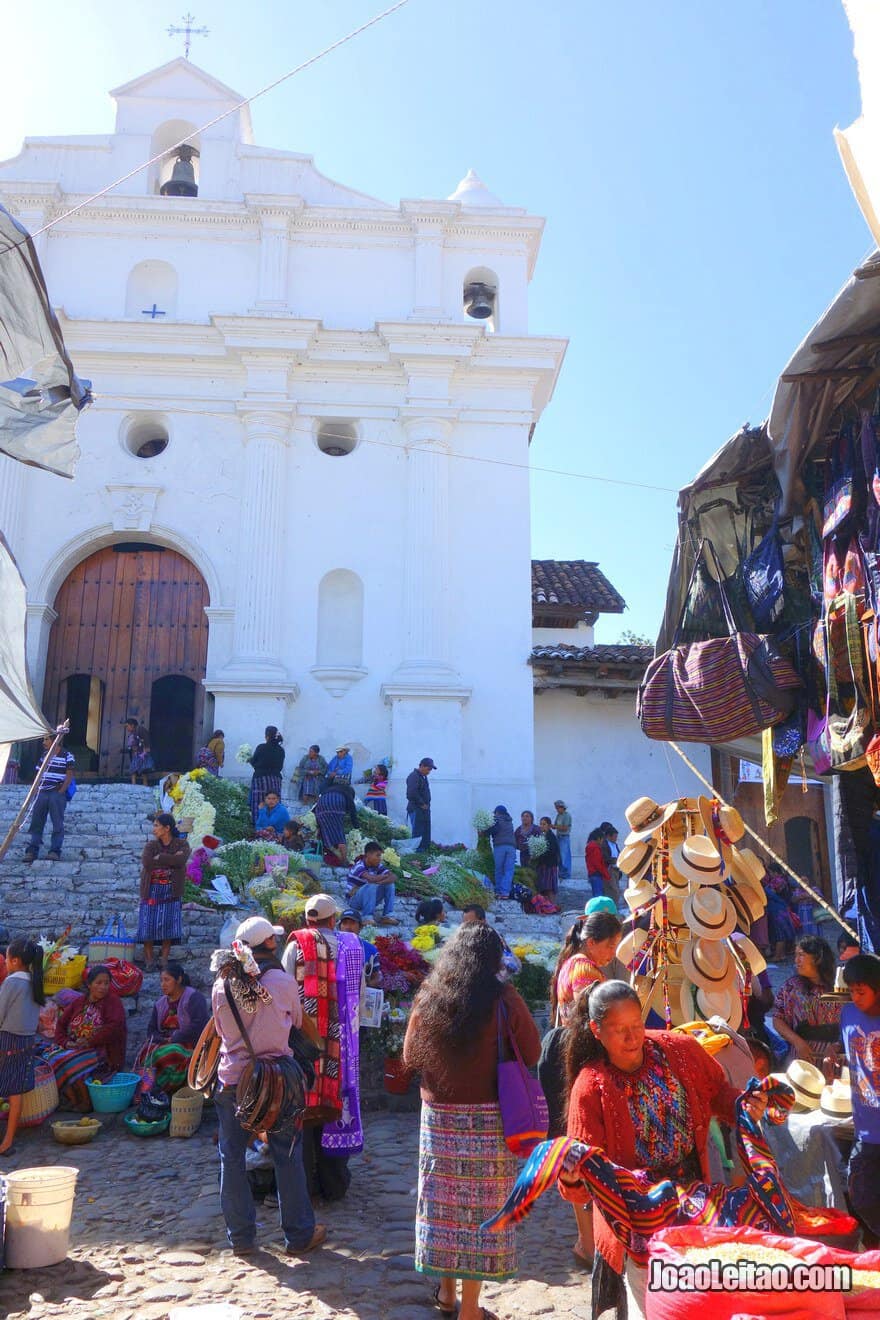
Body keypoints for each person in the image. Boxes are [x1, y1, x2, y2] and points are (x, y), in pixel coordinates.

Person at [560, 980, 763, 1319]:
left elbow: (719, 1094)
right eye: (619, 1030)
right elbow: (579, 1187)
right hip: (638, 1224)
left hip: (694, 1207)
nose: (632, 1037)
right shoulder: (590, 1087)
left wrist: (744, 1106)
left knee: (698, 1302)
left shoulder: (680, 1050)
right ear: (596, 1030)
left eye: (637, 1025)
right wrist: (572, 1176)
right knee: (655, 1309)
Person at [403, 923, 541, 1320]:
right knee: (482, 1211)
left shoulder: (430, 997)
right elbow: (531, 1050)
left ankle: (446, 1294)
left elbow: (411, 1055)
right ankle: (470, 1310)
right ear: (494, 959)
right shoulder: (504, 1000)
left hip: (441, 1122)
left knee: (442, 1208)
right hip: (489, 1120)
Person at [211, 915, 323, 1257]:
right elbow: (299, 1023)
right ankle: (299, 1234)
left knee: (231, 1157)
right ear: (270, 944)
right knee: (286, 1155)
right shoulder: (283, 982)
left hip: (235, 1079)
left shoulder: (220, 986)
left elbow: (219, 1033)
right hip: (278, 1079)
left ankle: (242, 1239)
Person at [283, 894, 364, 1202]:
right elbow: (360, 993)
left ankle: (306, 1184)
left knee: (304, 1111)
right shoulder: (353, 945)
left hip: (306, 1043)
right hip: (342, 1047)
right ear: (334, 920)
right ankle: (335, 1182)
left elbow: (286, 990)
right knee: (334, 1109)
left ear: (308, 920)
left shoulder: (296, 946)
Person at [43, 965, 127, 1110]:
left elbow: (114, 1028)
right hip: (76, 1047)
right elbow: (61, 1025)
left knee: (68, 1060)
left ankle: (86, 1100)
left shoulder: (113, 1002)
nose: (103, 987)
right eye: (98, 983)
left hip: (102, 1051)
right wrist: (67, 1043)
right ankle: (73, 1099)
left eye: (106, 983)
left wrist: (89, 1041)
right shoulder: (79, 1003)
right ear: (89, 984)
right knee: (49, 1057)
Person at [841, 953, 880, 1244]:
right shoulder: (847, 1014)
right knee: (860, 1195)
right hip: (865, 1128)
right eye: (851, 990)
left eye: (861, 991)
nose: (855, 997)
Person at [0, 938, 45, 1154]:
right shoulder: (34, 981)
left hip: (8, 1039)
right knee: (15, 1090)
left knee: (8, 1087)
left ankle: (6, 1140)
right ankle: (8, 1140)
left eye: (7, 959)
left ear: (15, 960)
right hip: (27, 1041)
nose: (6, 963)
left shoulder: (11, 982)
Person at [138, 962, 210, 1095]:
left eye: (167, 980)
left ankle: (166, 1091)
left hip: (190, 1044)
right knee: (146, 1055)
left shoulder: (194, 997)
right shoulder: (160, 1004)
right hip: (165, 1043)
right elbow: (151, 1030)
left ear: (179, 979)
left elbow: (199, 1025)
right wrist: (161, 1039)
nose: (162, 984)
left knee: (172, 1053)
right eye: (161, 980)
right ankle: (152, 1091)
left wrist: (176, 1038)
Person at [773, 935, 842, 1066]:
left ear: (817, 958)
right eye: (795, 955)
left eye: (801, 955)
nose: (796, 960)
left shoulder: (838, 985)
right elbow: (778, 1019)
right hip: (801, 1060)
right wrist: (798, 1042)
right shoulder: (791, 988)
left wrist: (837, 1045)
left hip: (835, 1060)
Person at [137, 813, 191, 972]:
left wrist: (160, 857)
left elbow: (180, 861)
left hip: (171, 890)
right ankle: (148, 960)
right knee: (148, 925)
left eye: (156, 826)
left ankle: (164, 959)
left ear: (167, 828)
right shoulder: (151, 846)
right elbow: (147, 863)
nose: (154, 829)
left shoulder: (182, 844)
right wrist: (170, 859)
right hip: (151, 890)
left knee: (168, 925)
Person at [550, 912, 624, 1026]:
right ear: (591, 942)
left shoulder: (572, 963)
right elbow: (588, 1016)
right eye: (611, 946)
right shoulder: (584, 969)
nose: (614, 953)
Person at [24, 733, 75, 862]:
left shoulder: (67, 756)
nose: (44, 742)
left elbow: (69, 775)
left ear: (55, 740)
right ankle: (32, 850)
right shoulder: (44, 755)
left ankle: (55, 851)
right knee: (37, 821)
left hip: (56, 793)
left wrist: (61, 791)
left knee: (57, 823)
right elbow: (38, 773)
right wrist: (35, 791)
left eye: (46, 739)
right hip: (42, 793)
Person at [461, 904, 521, 978]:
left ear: (483, 921)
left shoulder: (493, 937)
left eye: (471, 923)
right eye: (465, 924)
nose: (467, 927)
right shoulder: (464, 938)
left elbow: (512, 965)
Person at [346, 840, 398, 926]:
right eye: (377, 855)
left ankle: (387, 916)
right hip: (354, 900)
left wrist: (381, 881)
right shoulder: (359, 866)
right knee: (372, 885)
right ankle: (367, 917)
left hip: (370, 898)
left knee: (390, 884)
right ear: (368, 855)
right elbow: (371, 879)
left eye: (380, 856)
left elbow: (393, 877)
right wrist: (384, 877)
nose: (379, 858)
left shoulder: (378, 866)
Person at [314, 780, 358, 867]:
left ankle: (334, 854)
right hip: (335, 806)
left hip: (320, 807)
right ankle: (344, 861)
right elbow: (352, 810)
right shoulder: (347, 792)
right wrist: (356, 825)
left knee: (326, 831)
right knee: (339, 834)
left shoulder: (333, 790)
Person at [247, 726, 285, 824]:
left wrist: (249, 759)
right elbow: (280, 767)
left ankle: (259, 829)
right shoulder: (281, 750)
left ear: (267, 736)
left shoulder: (261, 747)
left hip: (261, 779)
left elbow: (255, 763)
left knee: (259, 804)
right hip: (276, 780)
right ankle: (274, 828)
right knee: (274, 804)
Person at [763, 865, 798, 961]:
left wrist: (765, 890)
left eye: (770, 872)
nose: (769, 874)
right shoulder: (783, 880)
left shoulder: (778, 881)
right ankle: (782, 955)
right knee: (782, 932)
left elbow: (772, 893)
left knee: (780, 933)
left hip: (778, 910)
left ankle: (778, 955)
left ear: (775, 872)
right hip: (781, 910)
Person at [339, 909, 382, 987]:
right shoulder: (333, 946)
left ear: (360, 927)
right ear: (339, 927)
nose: (348, 927)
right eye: (344, 923)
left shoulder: (370, 949)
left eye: (352, 923)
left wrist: (367, 985)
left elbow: (377, 976)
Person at [405, 758, 435, 852]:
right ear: (421, 766)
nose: (429, 772)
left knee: (425, 832)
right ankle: (417, 856)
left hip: (424, 810)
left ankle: (424, 852)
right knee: (418, 834)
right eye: (428, 769)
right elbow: (411, 793)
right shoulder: (414, 776)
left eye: (430, 769)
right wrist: (421, 803)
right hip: (416, 809)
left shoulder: (423, 777)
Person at [488, 805, 517, 899]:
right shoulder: (509, 821)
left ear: (497, 812)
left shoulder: (496, 819)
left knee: (499, 869)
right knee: (509, 870)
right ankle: (505, 893)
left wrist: (484, 830)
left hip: (500, 847)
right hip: (511, 848)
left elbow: (493, 830)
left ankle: (498, 891)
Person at [535, 816, 561, 900]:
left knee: (549, 888)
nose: (542, 826)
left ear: (549, 825)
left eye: (544, 824)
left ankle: (552, 906)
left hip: (549, 866)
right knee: (544, 888)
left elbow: (552, 851)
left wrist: (541, 854)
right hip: (543, 865)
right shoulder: (542, 836)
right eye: (541, 824)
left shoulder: (551, 837)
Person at [125, 718, 154, 784]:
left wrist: (145, 751)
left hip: (143, 754)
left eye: (127, 726)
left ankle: (142, 787)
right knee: (135, 771)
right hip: (138, 754)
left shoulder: (140, 730)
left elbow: (146, 741)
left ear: (132, 725)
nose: (127, 728)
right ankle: (135, 786)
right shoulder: (134, 732)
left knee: (142, 771)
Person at [585, 828, 611, 902]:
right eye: (602, 839)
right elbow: (598, 864)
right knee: (599, 897)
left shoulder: (590, 846)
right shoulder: (595, 848)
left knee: (596, 895)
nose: (602, 842)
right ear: (599, 838)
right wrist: (606, 875)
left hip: (593, 874)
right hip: (597, 874)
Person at [554, 800, 573, 880]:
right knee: (559, 856)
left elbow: (565, 828)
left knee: (564, 856)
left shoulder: (567, 816)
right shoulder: (558, 815)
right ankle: (561, 874)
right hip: (558, 837)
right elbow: (555, 824)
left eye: (558, 808)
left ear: (562, 807)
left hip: (564, 837)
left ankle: (566, 875)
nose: (557, 810)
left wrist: (556, 827)